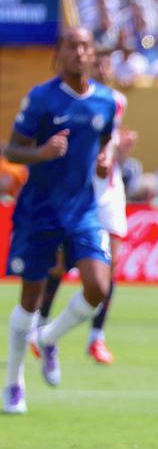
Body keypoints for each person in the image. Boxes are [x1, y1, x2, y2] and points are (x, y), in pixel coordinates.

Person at [2, 27, 115, 413]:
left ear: (92, 53)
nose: (79, 53)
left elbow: (102, 144)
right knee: (30, 299)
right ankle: (14, 382)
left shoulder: (104, 102)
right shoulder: (42, 98)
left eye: (85, 46)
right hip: (39, 212)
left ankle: (48, 339)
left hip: (82, 210)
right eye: (72, 46)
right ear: (60, 53)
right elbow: (13, 149)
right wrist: (43, 152)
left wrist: (104, 161)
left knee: (98, 285)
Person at [37, 82, 130, 365]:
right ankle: (41, 327)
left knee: (109, 267)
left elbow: (108, 140)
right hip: (78, 193)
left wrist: (116, 152)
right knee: (59, 264)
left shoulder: (115, 100)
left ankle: (96, 337)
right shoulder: (65, 100)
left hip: (108, 194)